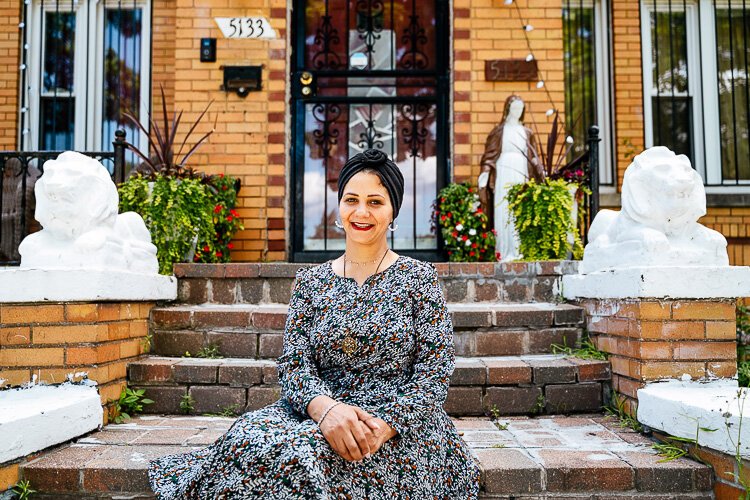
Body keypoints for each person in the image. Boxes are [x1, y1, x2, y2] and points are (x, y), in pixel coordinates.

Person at [147, 148, 481, 499]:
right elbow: (294, 364)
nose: (361, 212)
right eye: (351, 199)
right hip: (319, 409)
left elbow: (435, 370)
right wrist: (327, 411)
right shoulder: (312, 281)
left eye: (375, 202)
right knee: (247, 438)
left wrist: (382, 428)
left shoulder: (418, 277)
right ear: (339, 206)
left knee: (306, 457)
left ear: (393, 210)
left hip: (396, 422)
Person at [478, 95, 543, 261]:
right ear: (508, 109)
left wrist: (540, 171)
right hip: (504, 170)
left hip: (521, 171)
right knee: (504, 208)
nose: (517, 111)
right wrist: (485, 173)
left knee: (520, 208)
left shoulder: (527, 132)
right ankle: (503, 250)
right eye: (514, 108)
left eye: (520, 108)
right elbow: (490, 155)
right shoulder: (499, 131)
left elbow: (533, 156)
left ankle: (519, 250)